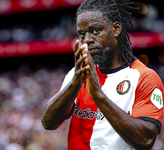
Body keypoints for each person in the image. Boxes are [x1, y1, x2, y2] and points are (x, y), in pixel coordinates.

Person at [41, 0, 164, 149]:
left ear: (116, 29)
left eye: (95, 31)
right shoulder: (77, 73)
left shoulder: (145, 77)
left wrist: (98, 95)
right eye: (81, 34)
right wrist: (75, 83)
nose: (87, 40)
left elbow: (145, 140)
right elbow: (48, 123)